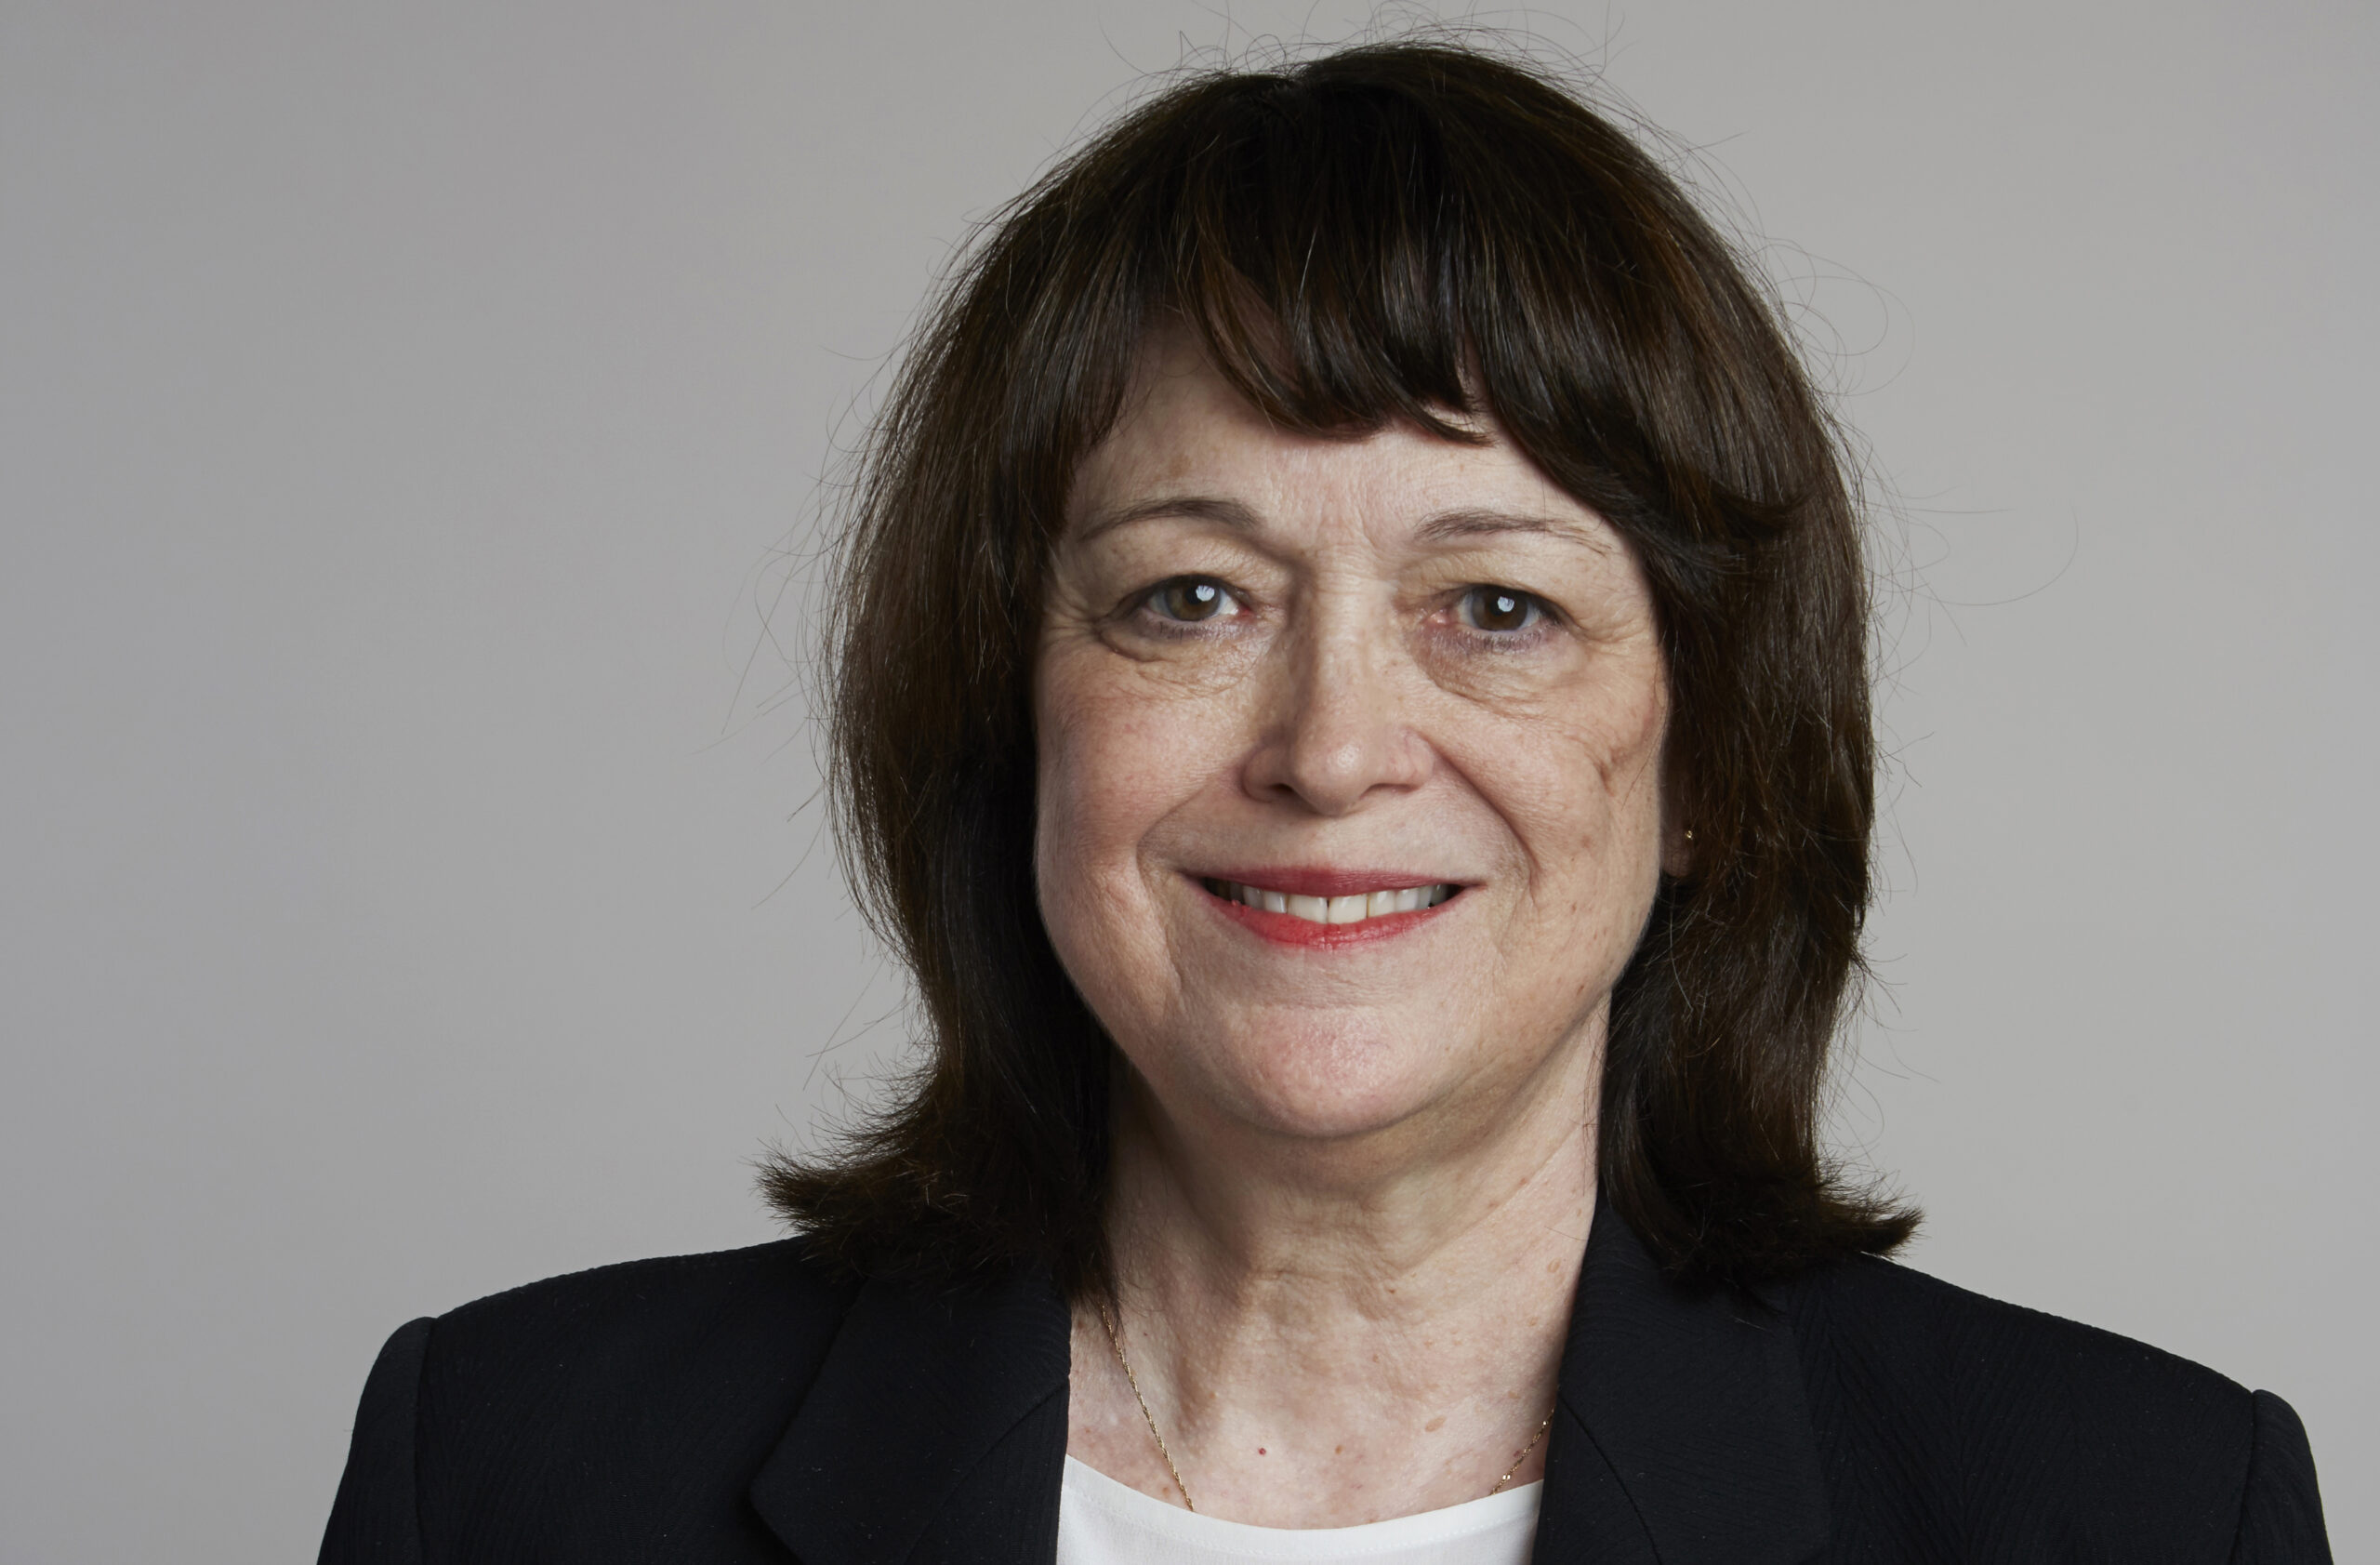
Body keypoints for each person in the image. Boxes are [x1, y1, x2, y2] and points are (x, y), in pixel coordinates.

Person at [318, 40, 2331, 1565]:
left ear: (1708, 760)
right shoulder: (507, 1471)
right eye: (1191, 597)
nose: (1334, 746)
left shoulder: (2139, 1509)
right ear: (1010, 715)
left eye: (1497, 607)